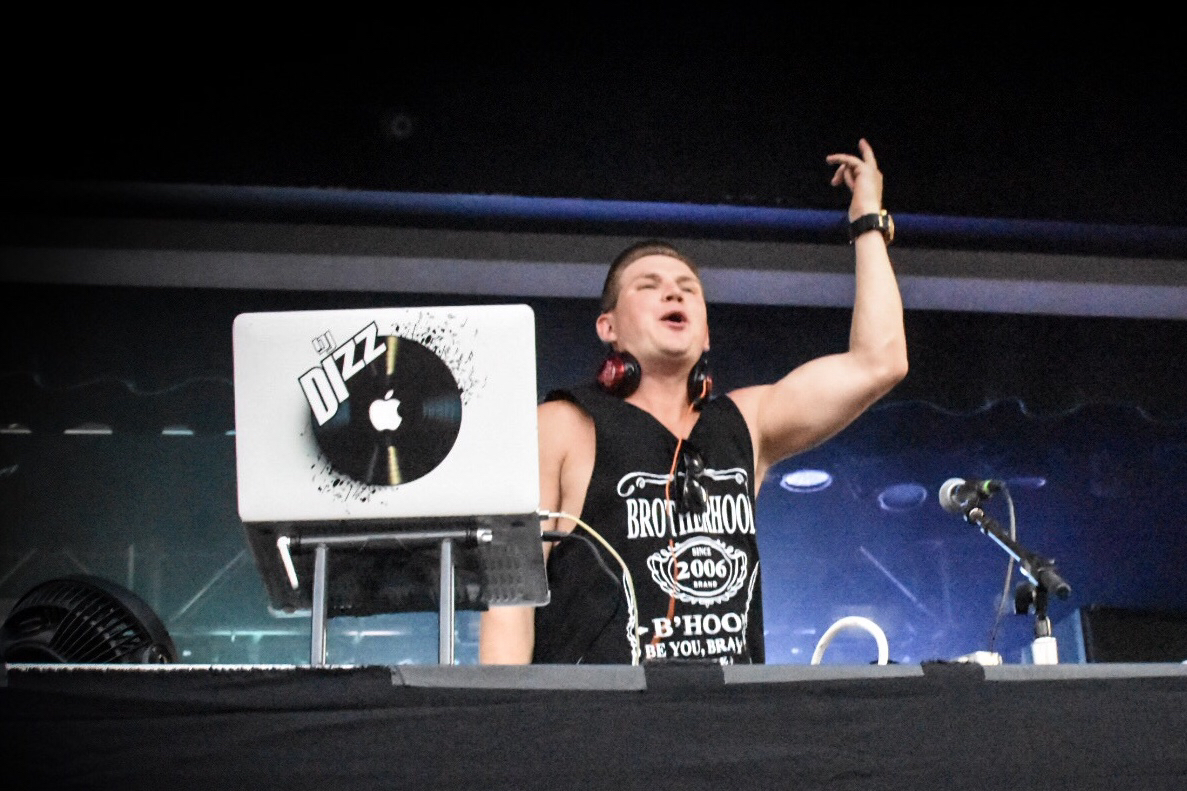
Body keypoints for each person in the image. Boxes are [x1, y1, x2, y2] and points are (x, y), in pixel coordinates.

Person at [479, 139, 907, 665]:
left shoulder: (747, 422)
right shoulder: (558, 425)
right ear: (608, 327)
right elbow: (509, 602)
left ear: (705, 334)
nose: (674, 293)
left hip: (725, 712)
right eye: (649, 286)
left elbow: (881, 362)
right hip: (600, 713)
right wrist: (508, 713)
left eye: (688, 288)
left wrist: (868, 222)